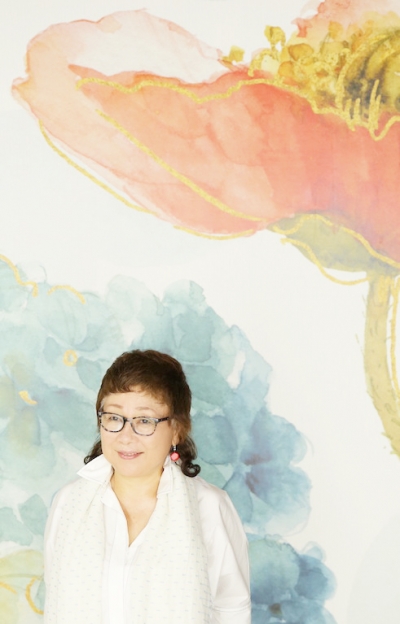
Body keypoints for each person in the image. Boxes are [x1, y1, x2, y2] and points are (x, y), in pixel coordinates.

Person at [44, 349, 251, 624]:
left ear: (176, 429)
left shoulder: (209, 507)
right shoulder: (69, 502)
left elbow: (232, 609)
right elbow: (55, 600)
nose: (126, 437)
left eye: (144, 421)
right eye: (114, 417)